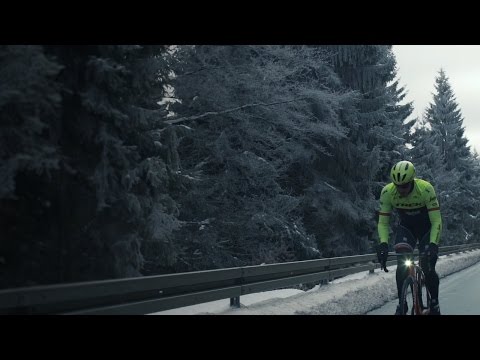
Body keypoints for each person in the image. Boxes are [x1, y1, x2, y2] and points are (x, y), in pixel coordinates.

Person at [376, 160, 442, 315]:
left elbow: (436, 220)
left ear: (412, 180)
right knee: (402, 264)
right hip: (407, 229)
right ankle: (402, 303)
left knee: (428, 267)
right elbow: (383, 222)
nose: (401, 190)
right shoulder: (387, 192)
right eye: (398, 186)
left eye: (404, 186)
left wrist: (434, 244)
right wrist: (383, 244)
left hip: (427, 229)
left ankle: (434, 302)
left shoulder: (425, 189)